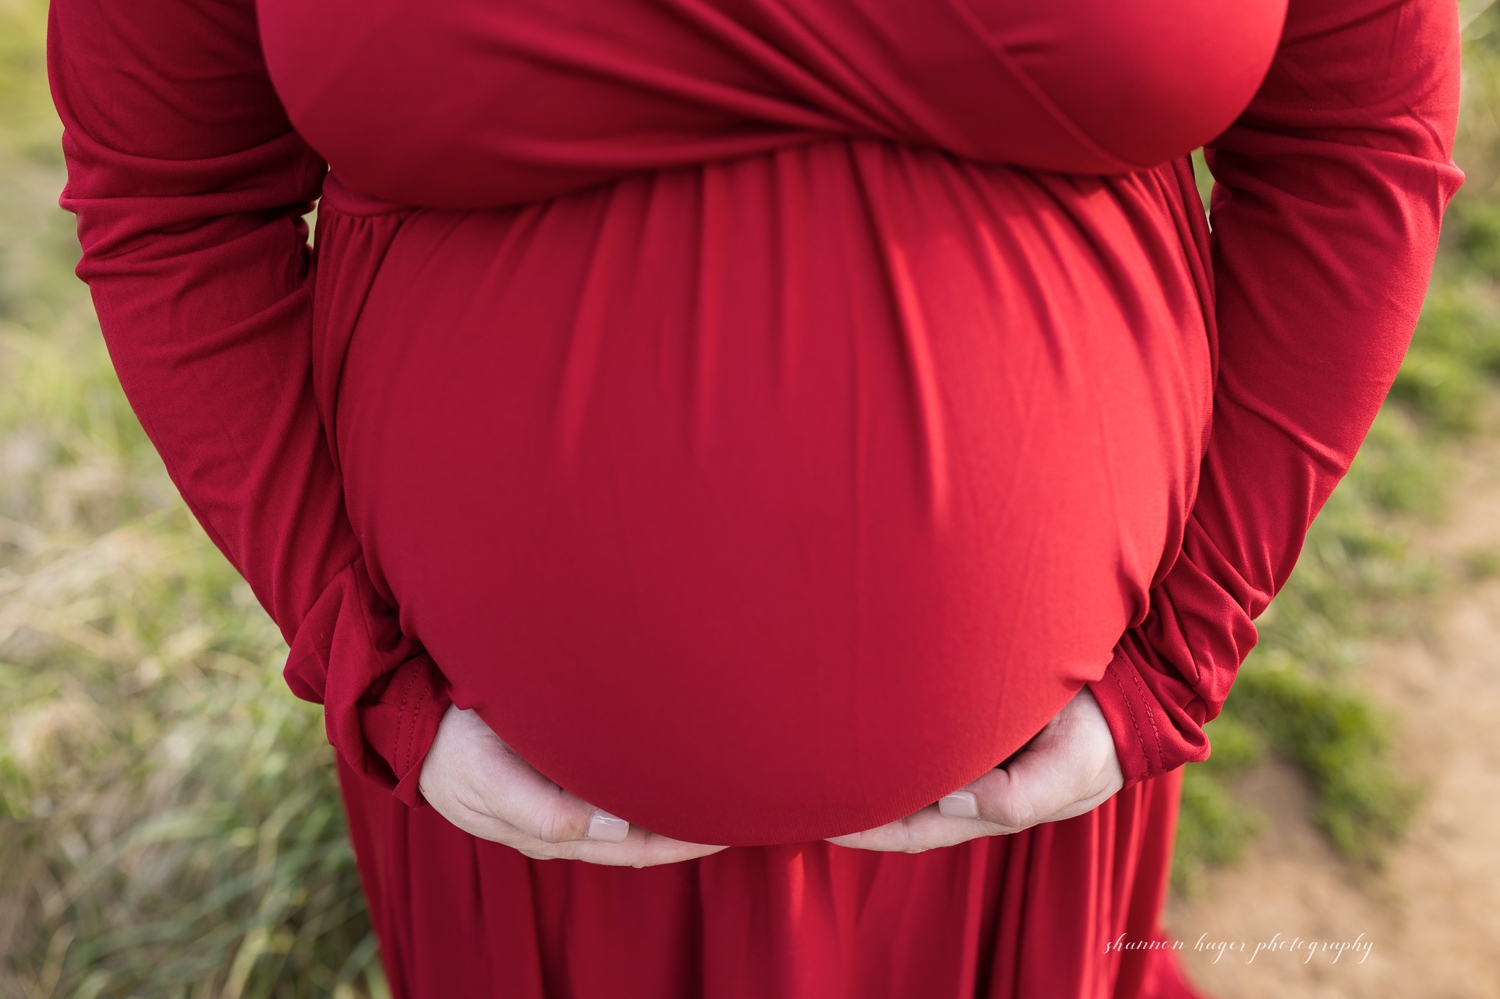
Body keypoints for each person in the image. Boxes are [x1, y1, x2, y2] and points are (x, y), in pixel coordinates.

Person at [47, 0, 1461, 994]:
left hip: (1026, 816)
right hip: (519, 833)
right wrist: (362, 659)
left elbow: (1358, 144)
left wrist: (1184, 644)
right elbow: (171, 195)